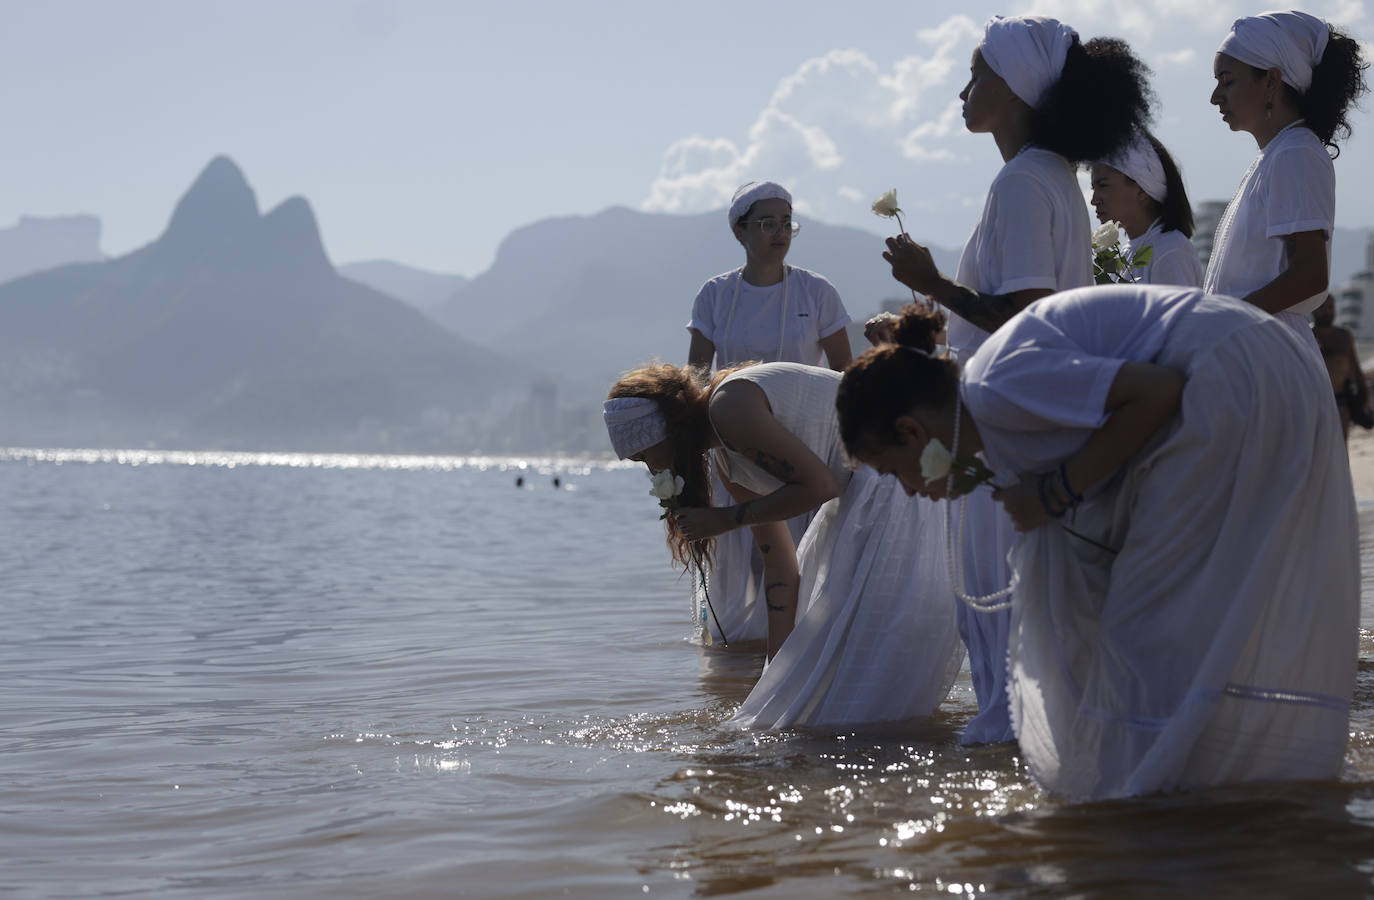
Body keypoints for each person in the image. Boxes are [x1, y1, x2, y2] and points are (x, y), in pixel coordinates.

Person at [836, 289, 1358, 800]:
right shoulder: (990, 406)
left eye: (893, 471)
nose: (908, 489)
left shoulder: (998, 383)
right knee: (1162, 615)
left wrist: (1055, 491)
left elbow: (1158, 390)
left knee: (1147, 623)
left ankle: (1160, 796)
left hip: (1232, 374)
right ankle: (1202, 787)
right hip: (1252, 366)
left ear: (910, 432)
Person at [878, 15, 1154, 745]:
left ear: (1018, 89)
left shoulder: (1025, 183)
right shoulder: (1048, 178)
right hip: (1020, 418)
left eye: (977, 74)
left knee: (995, 612)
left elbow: (1028, 318)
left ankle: (1012, 766)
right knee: (1016, 612)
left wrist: (930, 281)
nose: (962, 91)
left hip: (1003, 424)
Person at [603, 362, 961, 729]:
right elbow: (781, 567)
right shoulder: (729, 461)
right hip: (863, 496)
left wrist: (726, 519)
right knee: (824, 688)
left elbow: (820, 486)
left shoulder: (729, 408)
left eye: (646, 455)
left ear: (668, 430)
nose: (652, 470)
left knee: (864, 669)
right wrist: (773, 672)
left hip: (898, 482)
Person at [684, 182, 854, 646]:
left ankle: (795, 654)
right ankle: (740, 674)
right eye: (767, 223)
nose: (780, 232)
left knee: (801, 557)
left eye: (787, 222)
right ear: (740, 230)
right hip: (736, 448)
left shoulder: (816, 291)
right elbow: (697, 381)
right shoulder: (715, 295)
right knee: (744, 565)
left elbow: (846, 376)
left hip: (803, 449)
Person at [1204, 10, 1368, 354]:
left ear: (1271, 81)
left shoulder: (1296, 154)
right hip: (1254, 346)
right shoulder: (1278, 156)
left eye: (1227, 80)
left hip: (1267, 353)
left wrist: (1224, 322)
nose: (1215, 97)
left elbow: (1309, 276)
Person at [1089, 131, 1203, 286]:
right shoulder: (1129, 253)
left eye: (1103, 186)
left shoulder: (1170, 250)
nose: (1094, 200)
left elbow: (1175, 311)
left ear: (1142, 190)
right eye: (1093, 188)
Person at [1313, 295, 1373, 438]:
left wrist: (1363, 395)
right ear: (1314, 308)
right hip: (1314, 402)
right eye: (1323, 307)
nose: (1327, 311)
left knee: (1340, 448)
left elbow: (1355, 369)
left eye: (1330, 307)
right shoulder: (1308, 335)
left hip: (1340, 401)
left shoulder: (1344, 336)